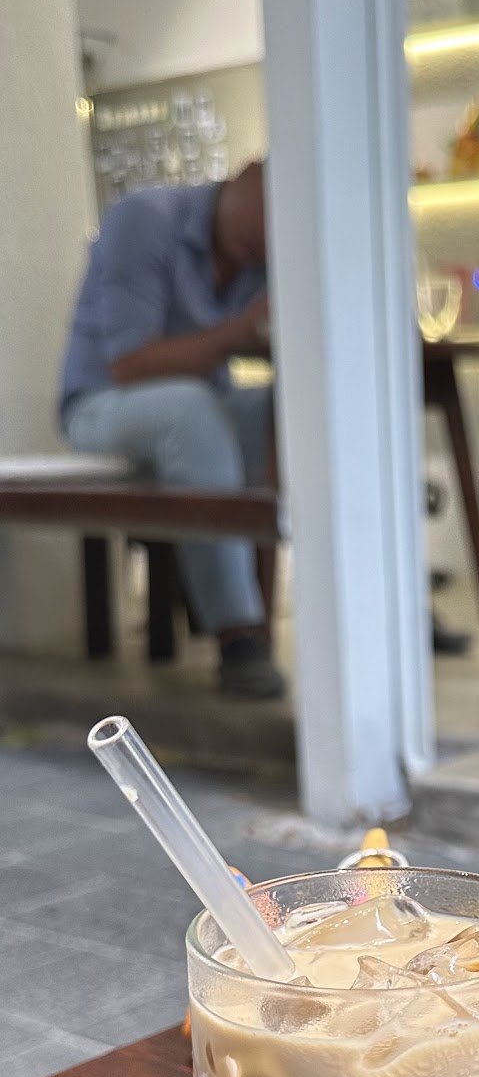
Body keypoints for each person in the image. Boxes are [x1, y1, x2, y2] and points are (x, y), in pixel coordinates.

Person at [60, 161, 285, 699]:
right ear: (246, 178)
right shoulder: (145, 219)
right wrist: (240, 331)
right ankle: (237, 636)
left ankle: (394, 600)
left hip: (203, 408)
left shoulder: (264, 257)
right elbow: (129, 363)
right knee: (192, 409)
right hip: (100, 407)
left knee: (297, 411)